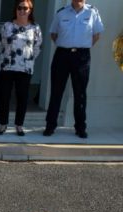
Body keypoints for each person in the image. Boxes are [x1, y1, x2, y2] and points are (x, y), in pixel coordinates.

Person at [43, 0, 103, 139]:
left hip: (82, 57)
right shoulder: (61, 12)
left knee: (80, 93)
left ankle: (80, 127)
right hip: (62, 55)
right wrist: (67, 45)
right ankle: (50, 126)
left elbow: (97, 35)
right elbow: (54, 33)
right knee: (56, 92)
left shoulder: (92, 12)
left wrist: (82, 46)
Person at [0, 0, 41, 136]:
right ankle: (3, 125)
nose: (22, 11)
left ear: (30, 10)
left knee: (22, 97)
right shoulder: (7, 26)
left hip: (25, 69)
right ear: (15, 10)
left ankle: (19, 125)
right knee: (4, 97)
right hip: (6, 67)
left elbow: (37, 47)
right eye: (19, 8)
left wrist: (28, 59)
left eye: (25, 8)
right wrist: (5, 57)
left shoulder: (35, 28)